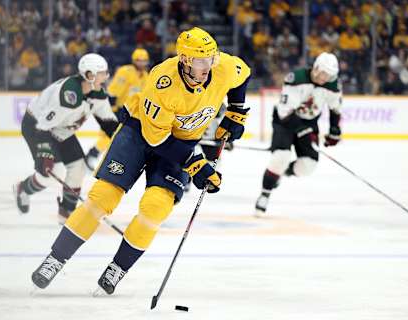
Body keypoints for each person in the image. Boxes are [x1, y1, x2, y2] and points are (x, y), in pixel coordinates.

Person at [31, 27, 251, 294]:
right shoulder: (163, 80)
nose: (208, 66)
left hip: (180, 142)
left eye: (211, 59)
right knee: (102, 197)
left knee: (156, 207)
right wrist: (196, 163)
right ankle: (56, 258)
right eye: (200, 61)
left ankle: (118, 267)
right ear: (184, 60)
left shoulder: (221, 66)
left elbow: (242, 75)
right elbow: (157, 139)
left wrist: (236, 112)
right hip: (140, 133)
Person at [13, 53, 118, 223]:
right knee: (50, 174)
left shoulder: (98, 95)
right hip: (37, 126)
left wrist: (128, 141)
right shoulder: (68, 94)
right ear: (89, 75)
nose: (106, 77)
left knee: (78, 167)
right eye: (102, 73)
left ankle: (66, 212)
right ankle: (22, 189)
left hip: (60, 129)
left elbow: (110, 125)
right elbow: (42, 127)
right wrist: (45, 153)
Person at [254, 52, 342, 217]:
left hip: (309, 124)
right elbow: (284, 112)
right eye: (323, 73)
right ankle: (264, 194)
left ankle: (281, 173)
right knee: (281, 156)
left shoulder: (332, 85)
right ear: (315, 68)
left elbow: (335, 107)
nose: (325, 78)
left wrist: (334, 130)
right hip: (285, 122)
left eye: (329, 75)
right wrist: (300, 130)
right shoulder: (297, 78)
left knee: (307, 166)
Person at [85, 48, 150, 170]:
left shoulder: (146, 76)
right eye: (139, 60)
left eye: (144, 61)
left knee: (123, 139)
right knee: (110, 136)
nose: (141, 63)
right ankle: (92, 155)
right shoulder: (125, 71)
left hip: (133, 114)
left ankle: (100, 157)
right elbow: (113, 91)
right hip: (118, 110)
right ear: (134, 60)